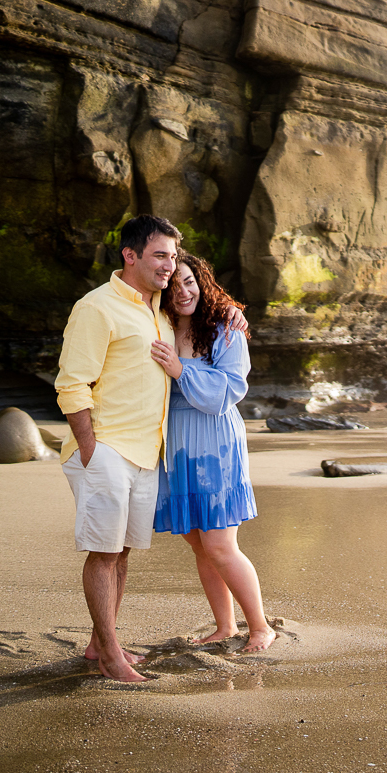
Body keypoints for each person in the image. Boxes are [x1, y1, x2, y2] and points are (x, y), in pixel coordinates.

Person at [55, 215, 182, 682]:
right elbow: (71, 383)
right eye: (160, 255)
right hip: (106, 448)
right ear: (130, 255)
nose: (169, 265)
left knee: (122, 551)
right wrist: (91, 450)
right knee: (104, 554)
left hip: (146, 452)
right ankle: (110, 656)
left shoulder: (161, 312)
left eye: (173, 256)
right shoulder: (96, 307)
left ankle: (99, 642)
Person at [149, 253, 275, 652]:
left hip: (214, 441)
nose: (183, 291)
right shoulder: (160, 326)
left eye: (190, 281)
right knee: (199, 543)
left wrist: (181, 371)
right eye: (174, 285)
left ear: (202, 282)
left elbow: (231, 388)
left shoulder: (224, 326)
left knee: (221, 544)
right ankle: (226, 627)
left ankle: (260, 627)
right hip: (176, 443)